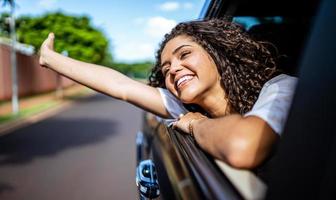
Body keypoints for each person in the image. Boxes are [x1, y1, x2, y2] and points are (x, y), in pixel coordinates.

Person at [39, 19, 297, 169]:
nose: (173, 69)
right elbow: (122, 86)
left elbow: (243, 146)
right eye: (165, 68)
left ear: (219, 55)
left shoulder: (282, 89)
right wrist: (50, 59)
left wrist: (196, 124)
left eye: (185, 54)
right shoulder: (184, 107)